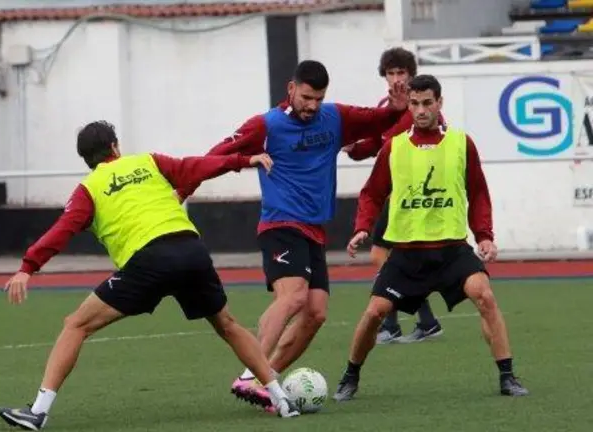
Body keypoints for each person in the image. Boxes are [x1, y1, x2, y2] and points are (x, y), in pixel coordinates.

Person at [0, 121, 301, 431]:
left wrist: (27, 267)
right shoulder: (148, 161)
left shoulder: (88, 189)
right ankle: (281, 398)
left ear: (86, 159)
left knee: (76, 324)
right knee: (227, 324)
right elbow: (194, 167)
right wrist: (242, 161)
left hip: (149, 261)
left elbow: (61, 232)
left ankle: (38, 412)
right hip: (191, 250)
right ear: (115, 146)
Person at [175, 60, 409, 411]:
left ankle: (265, 379)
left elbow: (379, 121)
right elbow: (217, 155)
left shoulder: (335, 118)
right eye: (306, 97)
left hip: (314, 231)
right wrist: (187, 184)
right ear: (291, 89)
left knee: (316, 313)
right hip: (280, 224)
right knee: (294, 296)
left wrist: (396, 107)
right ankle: (252, 375)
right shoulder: (265, 125)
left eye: (318, 98)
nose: (311, 105)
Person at [332, 74, 529, 402]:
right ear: (408, 105)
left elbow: (478, 191)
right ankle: (350, 375)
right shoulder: (394, 147)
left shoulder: (461, 143)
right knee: (374, 313)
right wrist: (362, 227)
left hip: (452, 250)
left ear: (439, 103)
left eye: (427, 103)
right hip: (407, 254)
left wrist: (484, 235)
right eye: (414, 104)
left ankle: (508, 375)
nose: (420, 110)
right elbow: (371, 193)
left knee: (485, 296)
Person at [343, 47, 444, 344]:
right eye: (392, 72)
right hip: (394, 194)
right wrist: (355, 148)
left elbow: (394, 139)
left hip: (414, 194)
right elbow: (379, 144)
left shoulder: (419, 109)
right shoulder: (385, 106)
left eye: (402, 72)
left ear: (411, 75)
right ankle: (419, 322)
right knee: (392, 258)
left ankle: (397, 324)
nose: (397, 78)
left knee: (383, 256)